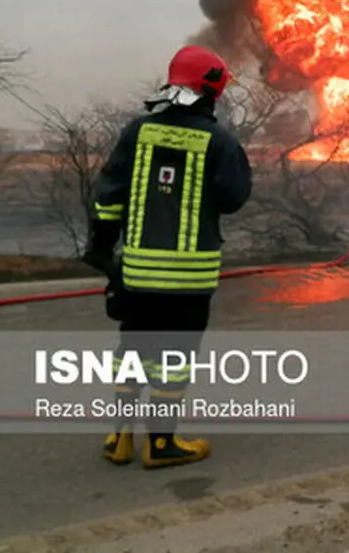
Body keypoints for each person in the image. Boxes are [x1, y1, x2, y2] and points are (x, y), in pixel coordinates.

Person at [82, 45, 252, 469]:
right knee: (174, 360)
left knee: (133, 350)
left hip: (137, 273)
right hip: (190, 278)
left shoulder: (137, 132)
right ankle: (160, 445)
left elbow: (108, 198)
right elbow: (233, 199)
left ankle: (120, 439)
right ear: (212, 91)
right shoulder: (220, 141)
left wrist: (102, 247)